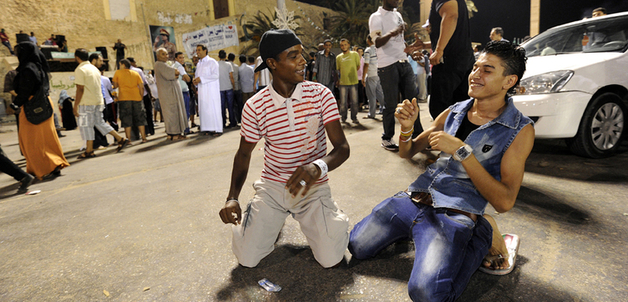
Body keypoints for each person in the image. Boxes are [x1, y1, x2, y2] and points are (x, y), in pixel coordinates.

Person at [348, 41, 534, 301]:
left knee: (426, 293)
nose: (475, 74)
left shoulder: (519, 130)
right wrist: (406, 127)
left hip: (456, 211)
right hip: (416, 198)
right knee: (357, 246)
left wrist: (462, 152)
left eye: (487, 70)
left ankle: (481, 234)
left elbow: (504, 201)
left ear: (509, 81)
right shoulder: (454, 111)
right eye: (475, 67)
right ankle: (418, 234)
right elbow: (407, 151)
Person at [219, 29, 350, 268]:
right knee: (247, 259)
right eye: (293, 56)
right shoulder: (255, 106)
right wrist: (232, 198)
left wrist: (317, 167)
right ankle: (261, 221)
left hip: (313, 188)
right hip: (273, 188)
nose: (304, 61)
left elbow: (342, 148)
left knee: (331, 258)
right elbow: (244, 154)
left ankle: (333, 220)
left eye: (302, 54)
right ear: (272, 63)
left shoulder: (321, 95)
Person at [369, 0, 425, 151]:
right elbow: (378, 42)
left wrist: (412, 53)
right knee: (391, 105)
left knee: (413, 102)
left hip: (404, 63)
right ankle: (387, 138)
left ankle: (418, 136)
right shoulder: (376, 17)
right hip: (387, 65)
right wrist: (394, 31)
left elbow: (401, 42)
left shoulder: (398, 15)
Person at [10, 42, 69, 179]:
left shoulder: (28, 69)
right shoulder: (38, 67)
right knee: (46, 138)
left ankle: (41, 169)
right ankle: (54, 164)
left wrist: (15, 104)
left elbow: (25, 90)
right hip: (44, 103)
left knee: (31, 141)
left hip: (32, 106)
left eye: (18, 51)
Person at [421, 0, 475, 123]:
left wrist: (439, 50)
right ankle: (457, 140)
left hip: (448, 63)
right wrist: (424, 45)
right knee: (461, 109)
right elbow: (453, 35)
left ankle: (443, 140)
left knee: (440, 110)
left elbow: (451, 16)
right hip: (462, 61)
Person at [74, 50, 129, 158]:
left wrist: (76, 105)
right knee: (99, 123)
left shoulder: (80, 69)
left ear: (77, 57)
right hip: (98, 100)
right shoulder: (94, 69)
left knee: (87, 126)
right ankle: (120, 139)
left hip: (87, 102)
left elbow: (80, 88)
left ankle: (89, 151)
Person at [154, 47, 188, 140]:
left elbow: (175, 74)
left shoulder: (162, 64)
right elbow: (174, 73)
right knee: (173, 114)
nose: (166, 56)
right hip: (169, 95)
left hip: (169, 94)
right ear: (157, 56)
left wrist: (175, 73)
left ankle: (172, 134)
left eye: (166, 54)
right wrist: (176, 72)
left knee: (172, 114)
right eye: (163, 54)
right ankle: (175, 134)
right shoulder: (160, 65)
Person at [113, 59, 148, 143]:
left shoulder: (118, 73)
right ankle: (143, 138)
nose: (119, 66)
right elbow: (141, 86)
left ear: (123, 65)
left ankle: (128, 139)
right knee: (140, 118)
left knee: (126, 119)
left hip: (124, 98)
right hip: (137, 98)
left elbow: (115, 85)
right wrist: (141, 96)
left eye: (120, 64)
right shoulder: (135, 73)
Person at [193, 44, 222, 136]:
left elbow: (216, 75)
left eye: (199, 50)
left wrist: (201, 79)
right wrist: (195, 81)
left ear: (205, 50)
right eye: (196, 50)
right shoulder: (199, 64)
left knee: (213, 109)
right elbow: (197, 75)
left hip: (211, 91)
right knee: (204, 109)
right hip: (202, 91)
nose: (197, 52)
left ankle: (217, 129)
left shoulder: (212, 62)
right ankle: (207, 129)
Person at [336, 38, 361, 124]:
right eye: (342, 45)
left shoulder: (355, 54)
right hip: (343, 82)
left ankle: (354, 117)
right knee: (343, 103)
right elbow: (339, 69)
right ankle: (343, 117)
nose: (344, 46)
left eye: (345, 44)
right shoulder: (338, 57)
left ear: (349, 45)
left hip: (353, 81)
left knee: (354, 101)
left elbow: (357, 66)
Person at [128, 57, 155, 136]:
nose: (136, 64)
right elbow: (145, 84)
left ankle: (145, 131)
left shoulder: (123, 72)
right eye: (134, 62)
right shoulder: (138, 71)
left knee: (140, 115)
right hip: (144, 94)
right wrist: (150, 95)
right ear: (131, 62)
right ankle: (151, 130)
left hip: (134, 96)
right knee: (148, 113)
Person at [362, 35, 385, 120]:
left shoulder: (368, 50)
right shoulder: (379, 49)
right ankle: (385, 110)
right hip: (378, 73)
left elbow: (366, 64)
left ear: (368, 40)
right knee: (380, 93)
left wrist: (363, 77)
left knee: (371, 95)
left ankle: (372, 114)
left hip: (371, 74)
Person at [174, 52, 192, 134]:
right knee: (186, 111)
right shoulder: (179, 67)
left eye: (183, 57)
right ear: (176, 59)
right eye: (180, 58)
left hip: (178, 91)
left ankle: (183, 129)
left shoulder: (173, 66)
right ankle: (186, 129)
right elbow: (188, 79)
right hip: (184, 91)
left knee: (181, 112)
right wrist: (188, 78)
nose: (182, 59)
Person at [218, 50, 237, 128]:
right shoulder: (229, 64)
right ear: (226, 56)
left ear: (218, 56)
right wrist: (233, 86)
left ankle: (222, 123)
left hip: (220, 88)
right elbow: (231, 77)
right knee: (230, 106)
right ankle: (232, 122)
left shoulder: (216, 64)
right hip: (228, 87)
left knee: (221, 106)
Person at [227, 53, 243, 124]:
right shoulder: (237, 67)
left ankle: (234, 120)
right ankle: (240, 119)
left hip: (230, 88)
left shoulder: (226, 66)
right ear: (234, 59)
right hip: (237, 87)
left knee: (232, 105)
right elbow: (239, 77)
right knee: (239, 104)